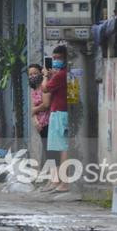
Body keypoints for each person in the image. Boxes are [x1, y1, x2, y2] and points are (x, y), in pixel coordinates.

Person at [42, 45, 71, 192]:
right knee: (58, 148)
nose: (55, 61)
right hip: (58, 112)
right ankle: (58, 180)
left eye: (58, 58)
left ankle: (64, 182)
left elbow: (45, 88)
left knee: (62, 148)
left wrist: (47, 76)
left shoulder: (61, 75)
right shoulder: (62, 74)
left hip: (60, 113)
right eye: (53, 58)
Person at [28, 64, 51, 158]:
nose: (32, 76)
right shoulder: (33, 90)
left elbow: (46, 105)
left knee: (50, 151)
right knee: (46, 150)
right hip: (40, 125)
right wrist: (36, 122)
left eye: (35, 73)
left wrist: (35, 109)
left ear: (41, 73)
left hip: (49, 123)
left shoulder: (45, 86)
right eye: (30, 74)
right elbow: (32, 110)